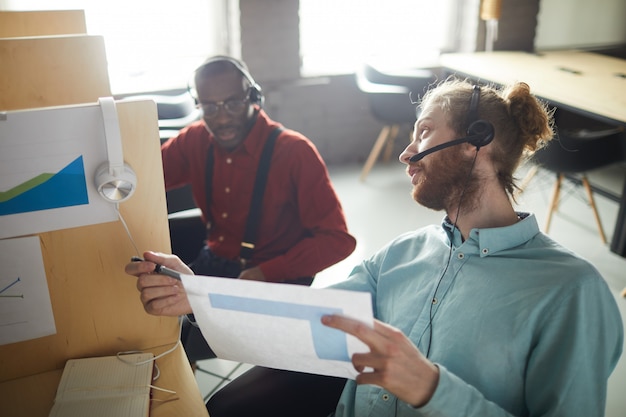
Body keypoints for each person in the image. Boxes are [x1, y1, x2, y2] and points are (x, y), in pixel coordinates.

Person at [126, 79, 623, 416]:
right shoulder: (400, 255)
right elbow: (305, 317)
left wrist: (430, 388)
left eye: (424, 132)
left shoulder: (571, 292)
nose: (406, 152)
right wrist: (198, 295)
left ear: (478, 140)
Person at [160, 56, 356, 364]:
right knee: (157, 321)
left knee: (177, 340)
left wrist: (266, 272)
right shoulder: (195, 139)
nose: (221, 119)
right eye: (209, 107)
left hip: (272, 279)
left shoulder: (294, 152)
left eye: (233, 104)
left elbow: (338, 240)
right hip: (214, 262)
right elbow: (146, 176)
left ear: (254, 97)